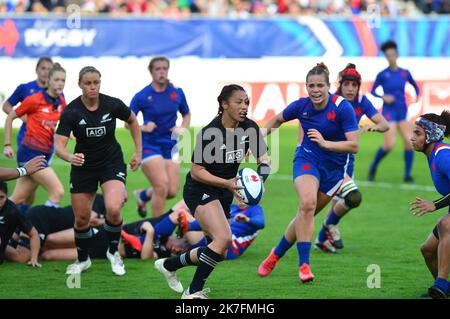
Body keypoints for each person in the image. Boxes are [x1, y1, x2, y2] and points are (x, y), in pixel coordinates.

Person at [154, 84, 270, 299]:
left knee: (219, 250)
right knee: (224, 238)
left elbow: (264, 159)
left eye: (246, 102)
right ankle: (192, 292)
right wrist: (226, 183)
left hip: (225, 191)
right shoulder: (210, 133)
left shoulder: (250, 128)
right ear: (224, 104)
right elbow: (197, 172)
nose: (244, 106)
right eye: (239, 102)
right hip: (200, 189)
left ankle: (169, 265)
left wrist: (258, 181)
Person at [257, 63, 359, 283]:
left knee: (305, 215)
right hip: (307, 159)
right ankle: (304, 265)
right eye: (311, 85)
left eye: (319, 85)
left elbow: (354, 145)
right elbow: (276, 120)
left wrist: (325, 143)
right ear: (306, 86)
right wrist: (257, 139)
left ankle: (275, 254)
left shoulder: (342, 108)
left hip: (334, 170)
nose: (315, 90)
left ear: (328, 86)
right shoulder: (301, 106)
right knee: (307, 204)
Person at [54, 66, 142, 276]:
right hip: (83, 167)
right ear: (80, 85)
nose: (93, 87)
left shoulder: (112, 104)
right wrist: (69, 157)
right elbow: (59, 146)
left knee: (113, 208)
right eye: (88, 83)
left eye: (96, 83)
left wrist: (138, 152)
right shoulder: (72, 111)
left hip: (111, 162)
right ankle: (83, 259)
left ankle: (113, 252)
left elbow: (132, 121)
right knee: (82, 218)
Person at [315, 64, 389, 253]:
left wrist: (373, 127)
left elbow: (384, 124)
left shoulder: (362, 101)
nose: (350, 89)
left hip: (345, 158)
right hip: (324, 156)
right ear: (340, 85)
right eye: (346, 84)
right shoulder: (332, 99)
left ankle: (323, 236)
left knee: (340, 199)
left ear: (358, 87)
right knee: (344, 198)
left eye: (354, 85)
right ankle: (326, 229)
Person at [130, 56, 191, 218]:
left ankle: (142, 196)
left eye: (164, 68)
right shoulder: (142, 96)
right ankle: (156, 231)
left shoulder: (177, 92)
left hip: (171, 146)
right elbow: (128, 123)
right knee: (161, 186)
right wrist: (143, 127)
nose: (162, 72)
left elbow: (187, 114)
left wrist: (182, 128)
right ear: (151, 72)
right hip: (150, 145)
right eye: (158, 69)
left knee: (171, 191)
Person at [4, 63, 67, 208]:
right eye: (57, 79)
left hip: (44, 154)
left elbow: (66, 122)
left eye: (63, 80)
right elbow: (10, 117)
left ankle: (18, 228)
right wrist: (7, 144)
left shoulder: (61, 101)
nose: (60, 83)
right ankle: (43, 226)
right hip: (30, 153)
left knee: (18, 199)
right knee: (57, 191)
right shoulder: (35, 99)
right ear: (49, 80)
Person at [410, 110, 450, 299]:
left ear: (432, 134)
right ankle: (442, 290)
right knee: (427, 249)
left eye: (417, 133)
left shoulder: (442, 155)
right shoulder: (433, 154)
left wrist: (435, 205)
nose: (412, 138)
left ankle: (440, 285)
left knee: (446, 225)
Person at [368, 40, 420, 183]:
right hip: (389, 112)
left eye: (392, 54)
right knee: (389, 145)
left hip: (402, 111)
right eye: (388, 55)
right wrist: (383, 96)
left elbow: (416, 86)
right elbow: (372, 90)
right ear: (386, 56)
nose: (390, 57)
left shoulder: (404, 73)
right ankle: (373, 167)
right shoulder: (383, 74)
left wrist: (417, 97)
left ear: (396, 55)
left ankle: (407, 175)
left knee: (410, 143)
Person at [5, 194, 106, 263]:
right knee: (22, 257)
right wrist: (106, 222)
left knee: (10, 242)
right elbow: (91, 219)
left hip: (42, 218)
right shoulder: (100, 199)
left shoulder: (106, 209)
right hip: (42, 219)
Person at [180, 199, 265, 260]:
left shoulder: (255, 209)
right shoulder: (233, 207)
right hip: (217, 238)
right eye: (238, 197)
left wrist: (247, 219)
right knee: (184, 212)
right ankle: (182, 239)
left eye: (244, 198)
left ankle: (182, 237)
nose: (241, 201)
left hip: (229, 248)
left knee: (182, 215)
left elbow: (261, 223)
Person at [0, 181, 41, 267]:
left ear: (7, 196)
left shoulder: (12, 211)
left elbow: (34, 234)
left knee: (21, 258)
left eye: (1, 197)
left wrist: (34, 259)